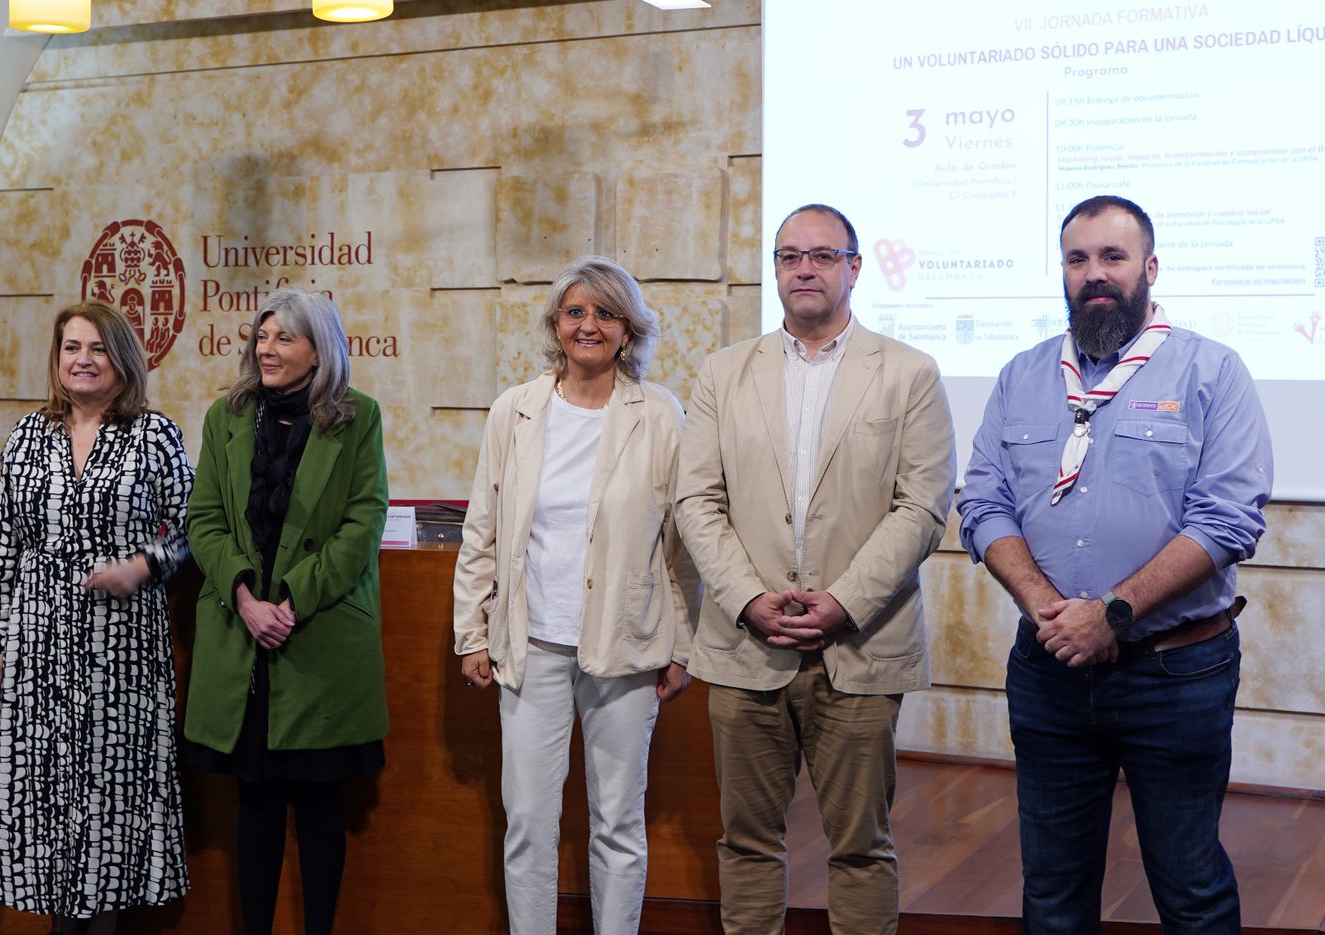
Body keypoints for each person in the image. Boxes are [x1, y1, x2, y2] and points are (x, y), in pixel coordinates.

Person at [956, 195, 1272, 934]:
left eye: (1113, 257)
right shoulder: (1022, 376)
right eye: (1077, 259)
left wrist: (1113, 613)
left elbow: (1227, 520)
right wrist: (1045, 605)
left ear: (1149, 268)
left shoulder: (1213, 371)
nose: (1094, 274)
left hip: (1176, 674)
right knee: (1053, 894)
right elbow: (984, 502)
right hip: (1049, 667)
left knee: (1190, 887)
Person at [674, 204, 955, 935]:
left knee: (862, 847)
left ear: (854, 268)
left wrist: (841, 601)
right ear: (775, 270)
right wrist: (745, 598)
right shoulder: (723, 372)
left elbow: (922, 507)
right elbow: (696, 500)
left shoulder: (909, 373)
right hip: (745, 647)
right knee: (747, 841)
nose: (804, 267)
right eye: (789, 255)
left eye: (823, 255)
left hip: (860, 646)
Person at [452, 255, 694, 935]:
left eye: (605, 313)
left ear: (628, 329)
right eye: (576, 312)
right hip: (532, 646)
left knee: (617, 821)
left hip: (626, 644)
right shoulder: (515, 410)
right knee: (529, 820)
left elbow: (681, 541)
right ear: (556, 325)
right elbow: (483, 531)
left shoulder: (660, 413)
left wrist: (682, 644)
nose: (589, 325)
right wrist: (470, 631)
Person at [0, 301, 193, 934]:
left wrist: (143, 566)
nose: (83, 360)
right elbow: (7, 546)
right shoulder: (28, 435)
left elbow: (192, 529)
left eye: (97, 348)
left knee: (112, 793)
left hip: (121, 644)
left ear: (122, 358)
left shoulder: (154, 434)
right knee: (45, 792)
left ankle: (102, 925)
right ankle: (59, 925)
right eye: (72, 348)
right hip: (38, 640)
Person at [184, 290, 390, 935]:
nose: (267, 349)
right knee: (257, 806)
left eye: (285, 338)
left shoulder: (359, 417)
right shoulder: (227, 416)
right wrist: (246, 598)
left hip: (319, 639)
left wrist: (294, 601)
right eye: (262, 336)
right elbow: (205, 519)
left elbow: (365, 520)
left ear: (318, 349)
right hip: (243, 639)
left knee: (323, 809)